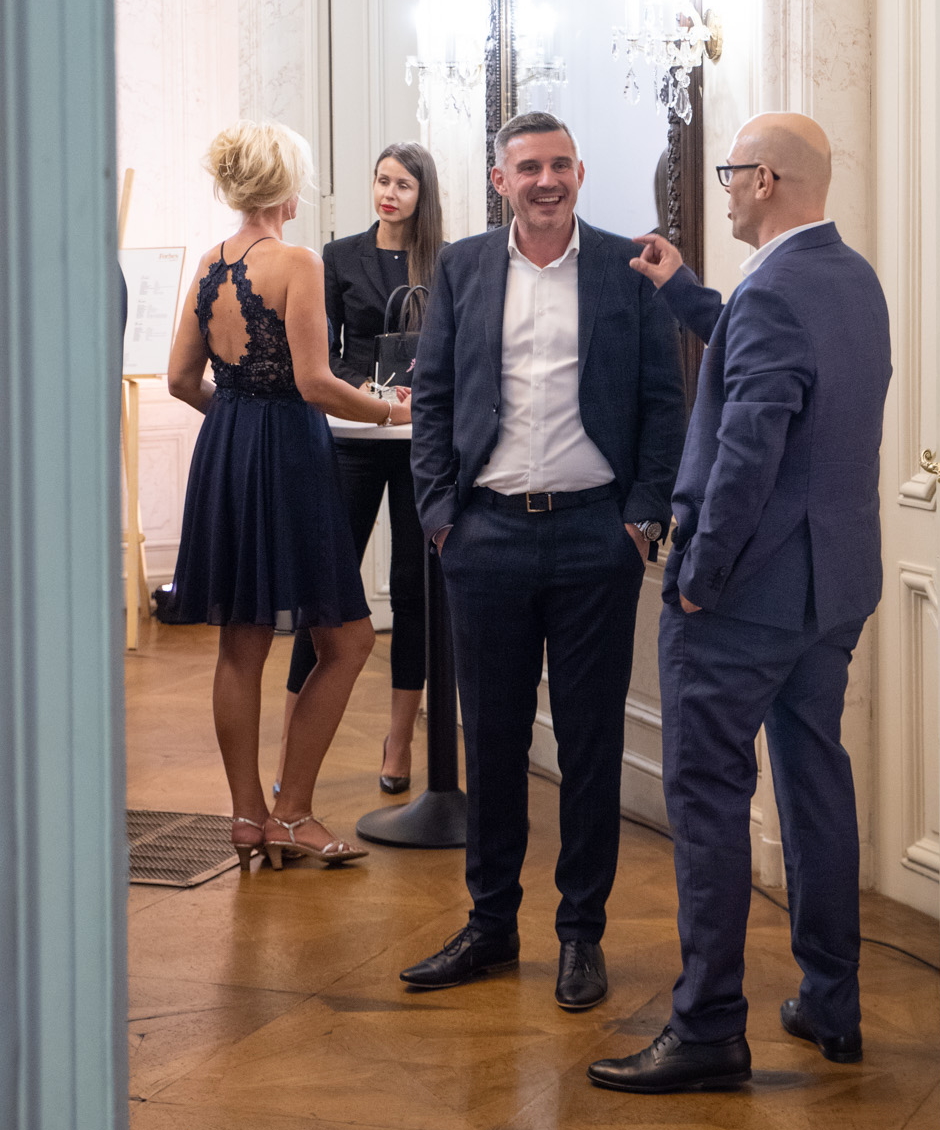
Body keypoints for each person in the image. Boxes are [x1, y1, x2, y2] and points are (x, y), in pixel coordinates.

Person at [587, 113, 892, 1092]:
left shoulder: (775, 295)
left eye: (729, 173)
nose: (722, 188)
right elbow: (770, 358)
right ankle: (831, 1002)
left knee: (709, 799)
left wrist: (697, 579)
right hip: (831, 588)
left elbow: (747, 456)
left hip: (742, 599)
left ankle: (709, 1025)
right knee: (814, 780)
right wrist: (685, 292)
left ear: (763, 179)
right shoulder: (850, 280)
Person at [403, 111, 685, 1010]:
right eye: (528, 167)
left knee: (590, 744)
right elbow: (433, 397)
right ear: (501, 181)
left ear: (580, 172)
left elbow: (663, 400)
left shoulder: (626, 268)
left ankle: (580, 934)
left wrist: (640, 520)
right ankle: (490, 926)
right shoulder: (463, 267)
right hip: (483, 538)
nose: (546, 180)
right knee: (491, 741)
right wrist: (441, 517)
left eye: (560, 164)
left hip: (595, 538)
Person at [164, 122, 412, 871]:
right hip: (290, 459)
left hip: (226, 453)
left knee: (241, 641)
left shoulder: (210, 262)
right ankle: (293, 813)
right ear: (284, 185)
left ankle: (249, 817)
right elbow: (315, 384)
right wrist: (393, 412)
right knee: (350, 640)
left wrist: (239, 424)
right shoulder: (297, 262)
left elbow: (180, 381)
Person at [277, 142, 444, 797]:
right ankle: (291, 743)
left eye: (402, 184)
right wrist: (371, 397)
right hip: (352, 435)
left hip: (420, 443)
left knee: (413, 589)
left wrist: (416, 398)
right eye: (382, 181)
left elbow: (451, 351)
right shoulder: (339, 256)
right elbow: (328, 354)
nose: (388, 194)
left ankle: (399, 741)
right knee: (324, 584)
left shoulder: (445, 261)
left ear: (422, 194)